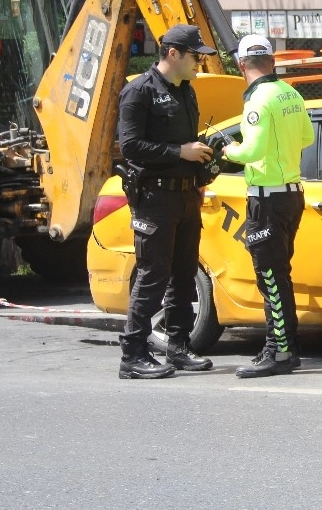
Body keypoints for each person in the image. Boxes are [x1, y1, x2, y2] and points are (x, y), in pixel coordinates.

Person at [117, 23, 217, 379]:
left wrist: (201, 162)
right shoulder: (138, 92)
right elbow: (129, 147)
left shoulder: (186, 90)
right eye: (195, 56)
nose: (199, 64)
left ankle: (178, 347)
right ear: (173, 53)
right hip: (154, 197)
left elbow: (189, 145)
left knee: (183, 274)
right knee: (152, 275)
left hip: (186, 195)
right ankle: (133, 353)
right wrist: (180, 151)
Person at [222, 34, 315, 378]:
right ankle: (284, 349)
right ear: (272, 61)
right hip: (291, 195)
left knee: (270, 279)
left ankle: (279, 353)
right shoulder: (290, 93)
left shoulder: (258, 100)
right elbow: (308, 137)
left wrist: (229, 150)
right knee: (279, 275)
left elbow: (251, 152)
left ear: (242, 64)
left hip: (267, 198)